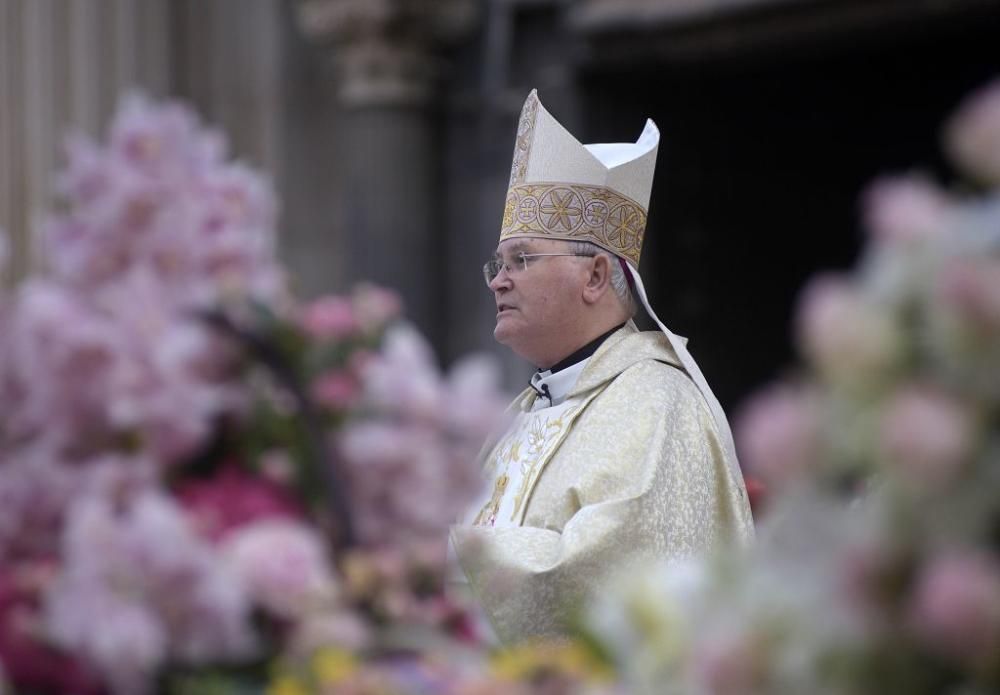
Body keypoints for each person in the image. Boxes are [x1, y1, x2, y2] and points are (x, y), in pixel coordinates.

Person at [449, 90, 754, 644]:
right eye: (497, 262)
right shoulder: (522, 412)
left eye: (521, 259)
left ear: (594, 276)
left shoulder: (659, 405)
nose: (498, 279)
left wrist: (438, 554)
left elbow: (604, 577)